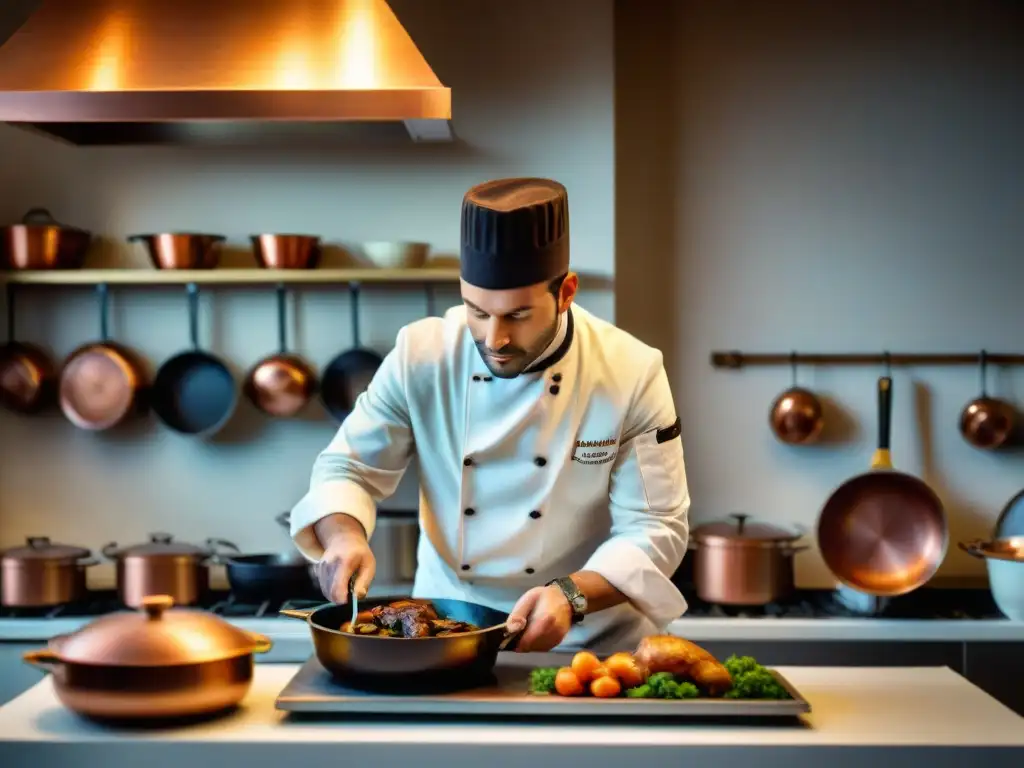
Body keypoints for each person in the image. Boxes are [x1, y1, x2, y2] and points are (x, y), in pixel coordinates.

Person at [288, 177, 691, 654]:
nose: (494, 339)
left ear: (566, 292)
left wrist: (571, 596)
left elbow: (656, 527)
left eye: (517, 315)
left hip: (592, 643)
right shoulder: (421, 354)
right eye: (476, 310)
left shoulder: (630, 371)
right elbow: (348, 467)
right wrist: (343, 537)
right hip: (445, 636)